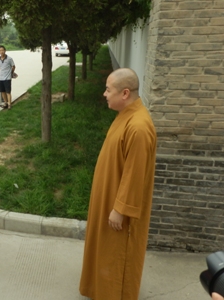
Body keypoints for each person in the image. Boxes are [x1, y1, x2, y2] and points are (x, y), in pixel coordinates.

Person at [79, 68, 157, 300]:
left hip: (119, 209)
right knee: (104, 251)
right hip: (108, 197)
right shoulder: (127, 115)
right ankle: (99, 289)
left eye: (108, 89)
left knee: (117, 255)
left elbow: (135, 173)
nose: (104, 94)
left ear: (124, 93)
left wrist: (120, 209)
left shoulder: (139, 127)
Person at [0, 45, 15, 110]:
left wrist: (11, 73)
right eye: (0, 50)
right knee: (2, 91)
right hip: (0, 78)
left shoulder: (9, 59)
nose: (1, 51)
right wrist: (0, 74)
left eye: (2, 50)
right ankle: (5, 103)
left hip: (7, 78)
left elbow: (13, 66)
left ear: (5, 51)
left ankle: (9, 104)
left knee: (8, 92)